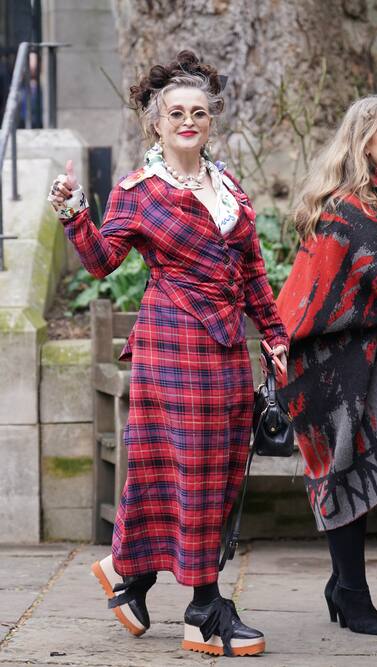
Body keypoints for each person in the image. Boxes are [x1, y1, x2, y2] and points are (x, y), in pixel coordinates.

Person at [47, 50, 289, 657]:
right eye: (176, 112)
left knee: (215, 467)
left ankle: (132, 569)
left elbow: (253, 271)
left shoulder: (229, 188)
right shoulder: (138, 192)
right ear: (155, 122)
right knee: (195, 467)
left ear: (211, 122)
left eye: (199, 113)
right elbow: (103, 260)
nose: (188, 121)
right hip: (174, 344)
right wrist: (76, 214)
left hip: (229, 348)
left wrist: (277, 335)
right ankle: (204, 608)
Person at [276, 94, 377, 636]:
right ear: (365, 143)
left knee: (360, 468)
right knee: (344, 470)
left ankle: (346, 588)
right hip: (321, 360)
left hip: (364, 353)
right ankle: (350, 592)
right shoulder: (351, 208)